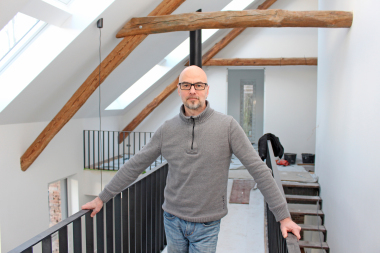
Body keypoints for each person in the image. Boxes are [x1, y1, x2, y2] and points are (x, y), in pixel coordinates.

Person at [82, 65, 301, 252]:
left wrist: (283, 216)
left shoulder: (228, 127)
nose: (192, 90)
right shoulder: (166, 130)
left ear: (207, 90)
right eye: (186, 85)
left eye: (198, 85)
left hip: (207, 224)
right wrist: (102, 198)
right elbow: (134, 165)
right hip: (172, 220)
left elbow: (258, 170)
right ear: (179, 91)